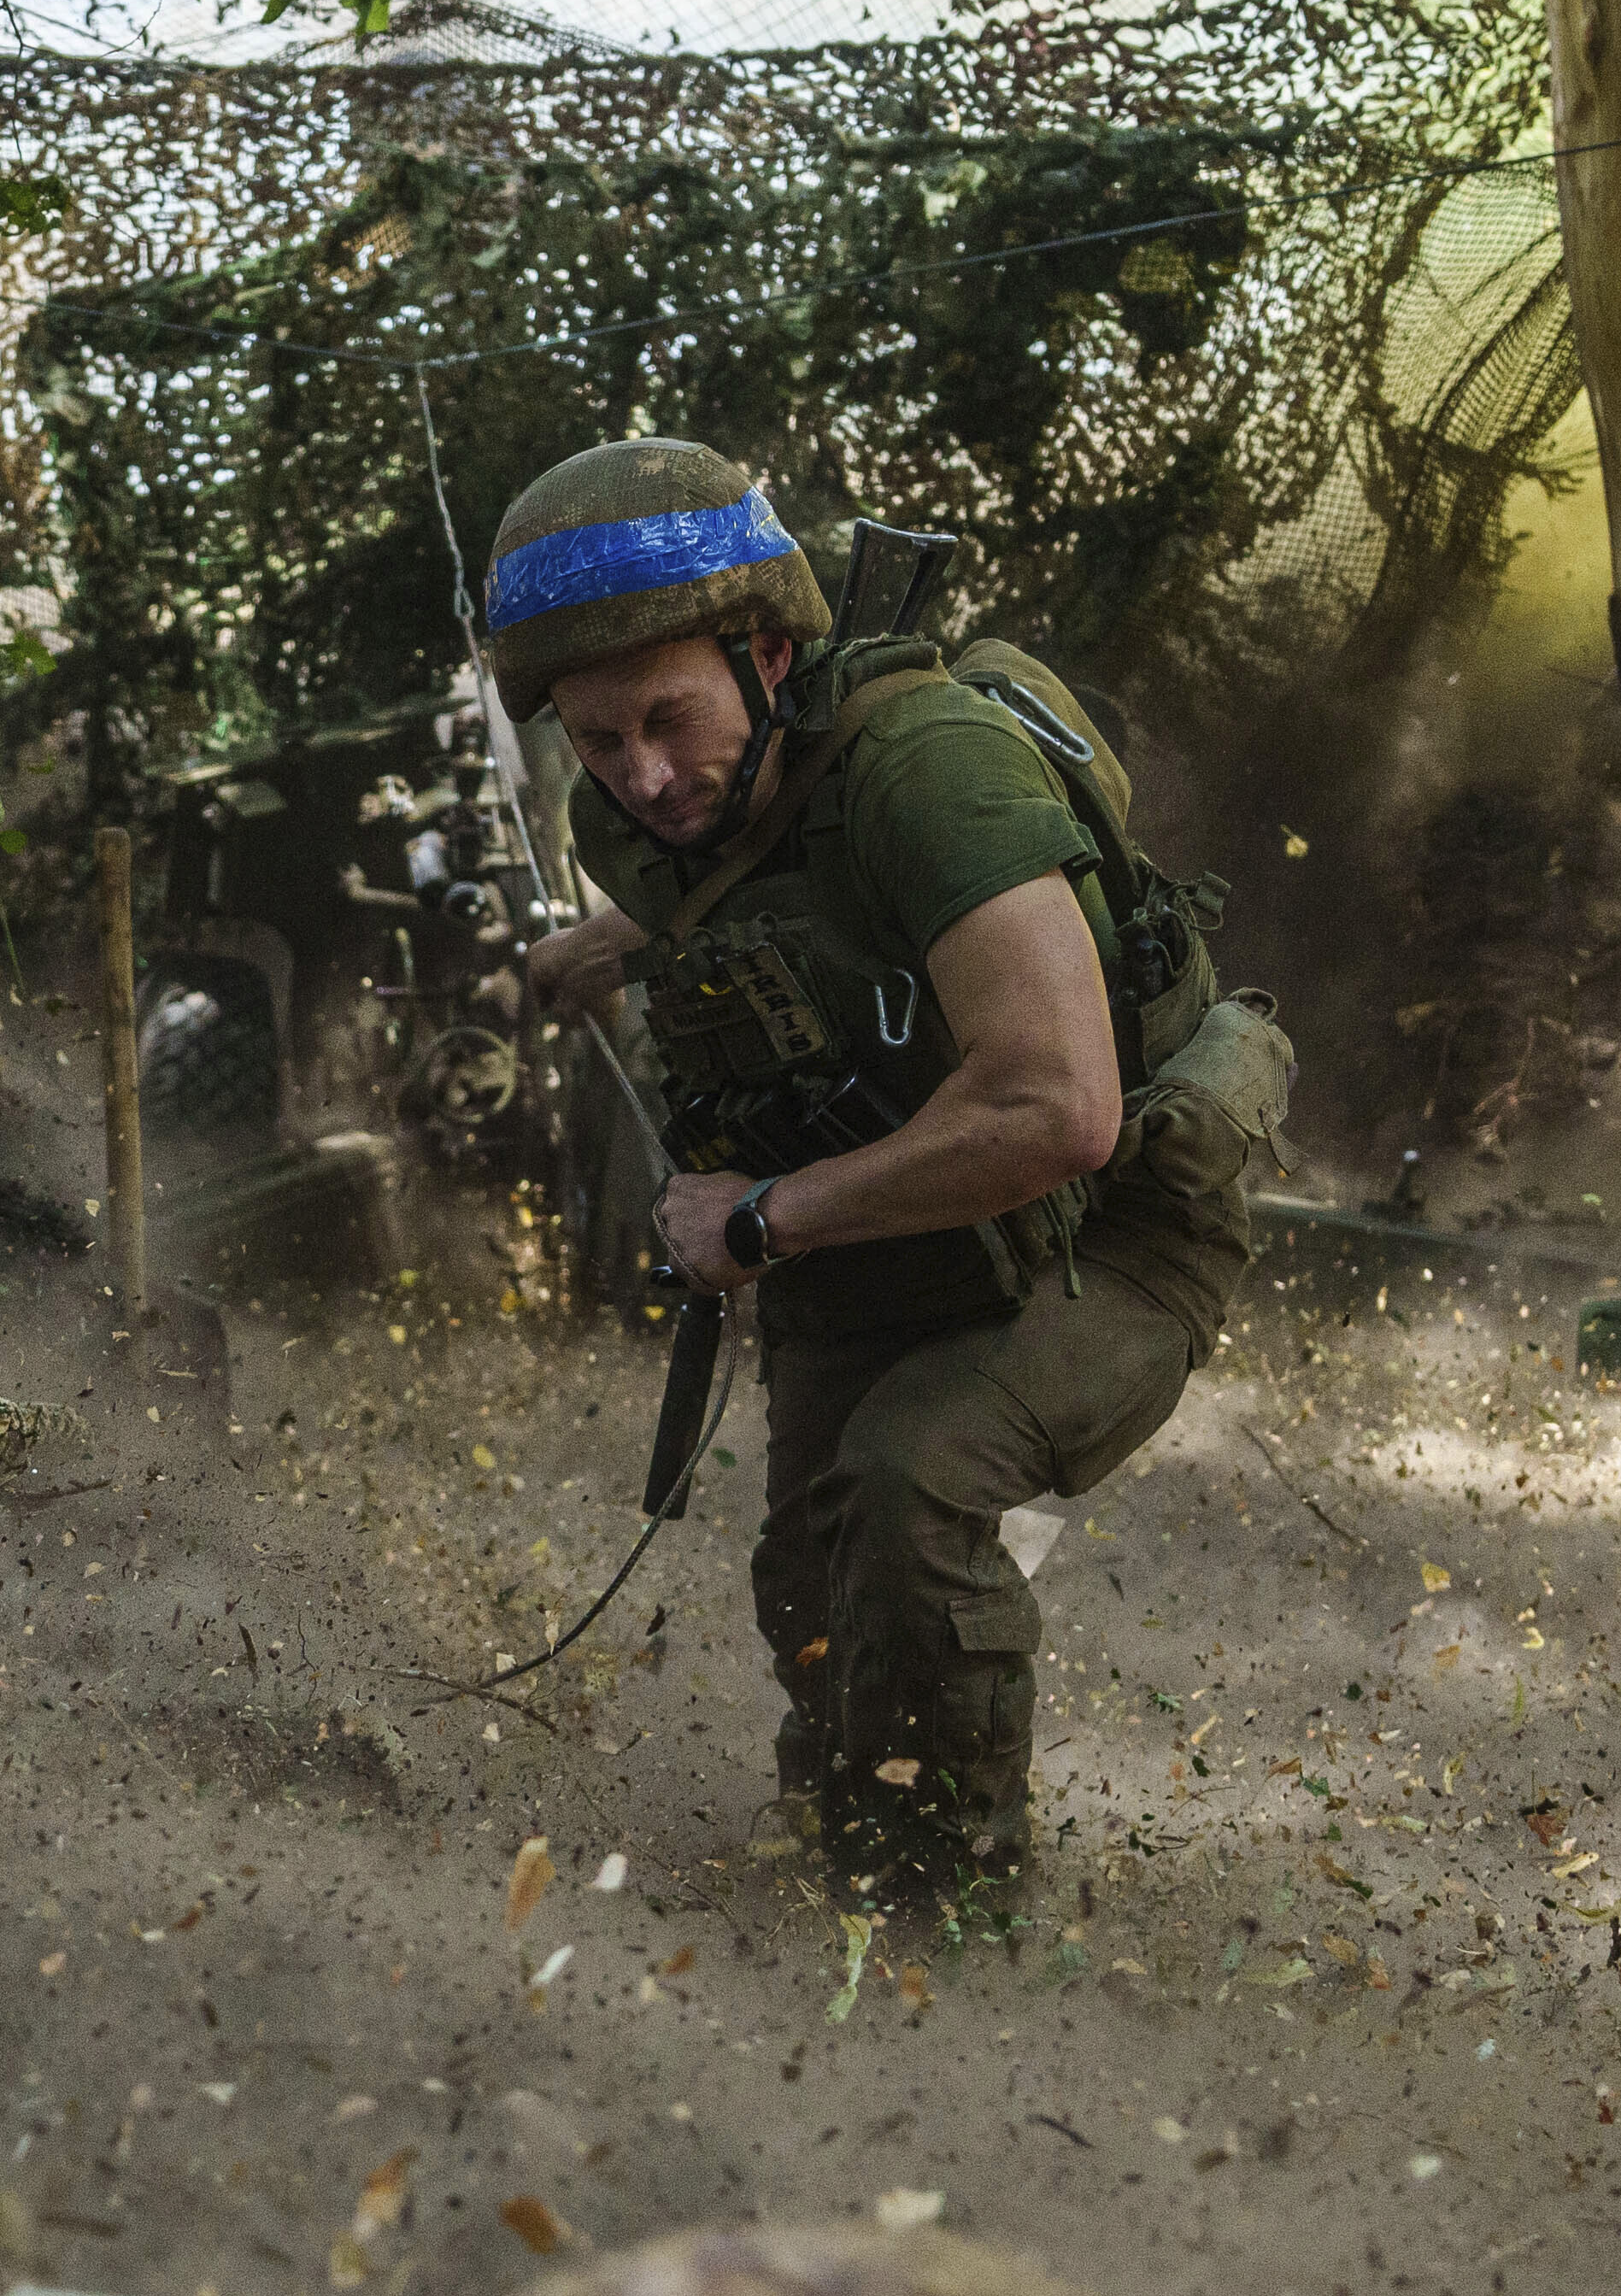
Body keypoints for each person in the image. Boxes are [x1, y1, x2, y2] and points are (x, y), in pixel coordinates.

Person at [474, 439, 1294, 1911]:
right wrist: (606, 945)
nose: (641, 776)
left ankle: (940, 1920)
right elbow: (773, 888)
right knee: (809, 1577)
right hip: (897, 1233)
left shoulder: (932, 773)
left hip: (1106, 1224)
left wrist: (757, 1218)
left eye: (667, 719)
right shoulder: (659, 814)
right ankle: (843, 1853)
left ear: (769, 653)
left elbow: (1054, 1111)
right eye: (597, 744)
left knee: (910, 1491)